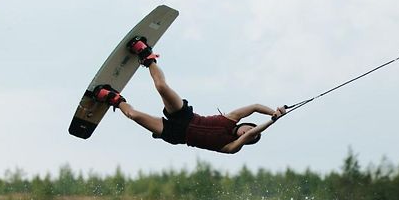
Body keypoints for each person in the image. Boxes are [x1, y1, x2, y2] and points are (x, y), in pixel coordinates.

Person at [94, 37, 286, 154]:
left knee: (133, 115)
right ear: (245, 124)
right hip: (184, 116)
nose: (248, 133)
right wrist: (273, 112)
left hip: (176, 134)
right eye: (249, 129)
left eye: (251, 138)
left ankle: (115, 99)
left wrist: (272, 122)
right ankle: (147, 57)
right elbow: (254, 107)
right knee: (161, 87)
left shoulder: (231, 147)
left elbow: (253, 133)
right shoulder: (230, 118)